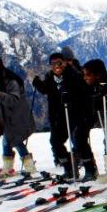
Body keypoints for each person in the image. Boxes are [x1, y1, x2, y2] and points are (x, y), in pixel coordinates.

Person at [32, 52, 94, 180]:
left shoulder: (74, 75)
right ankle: (69, 168)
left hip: (77, 114)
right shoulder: (50, 77)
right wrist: (38, 84)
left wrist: (71, 98)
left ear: (65, 63)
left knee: (79, 141)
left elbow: (85, 94)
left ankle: (90, 170)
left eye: (59, 63)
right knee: (55, 142)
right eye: (53, 64)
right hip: (59, 116)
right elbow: (47, 90)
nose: (56, 66)